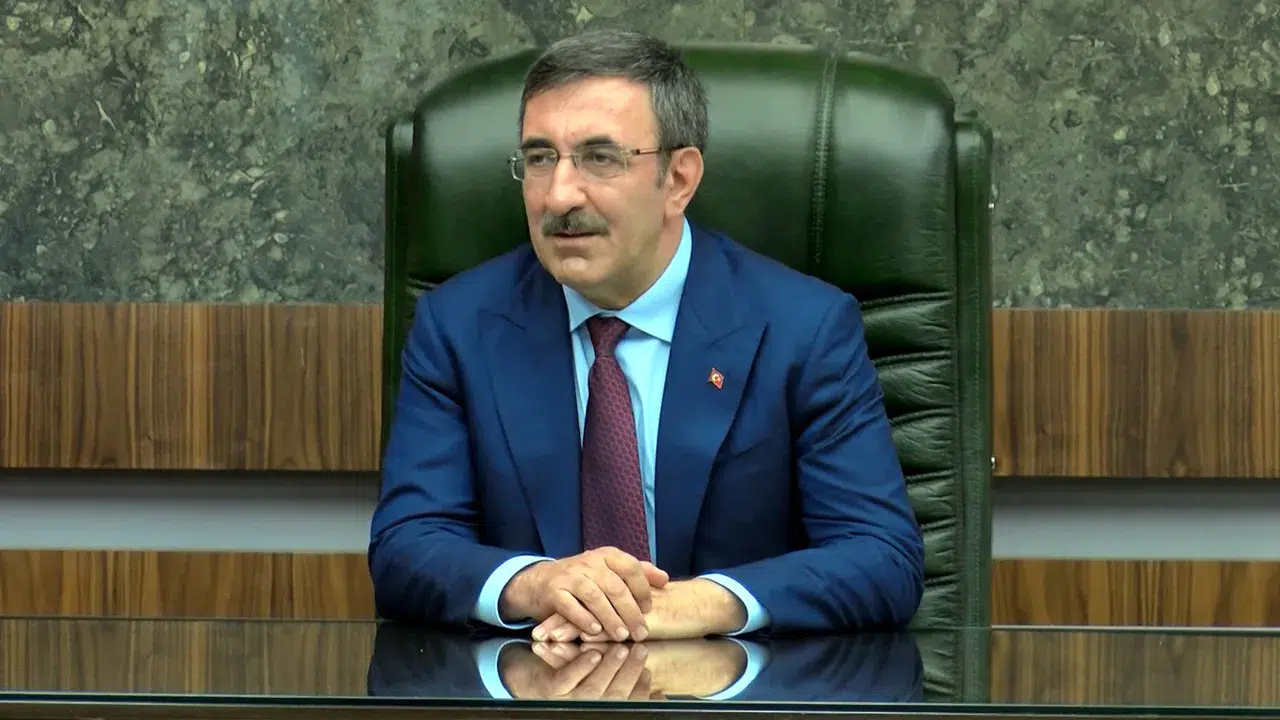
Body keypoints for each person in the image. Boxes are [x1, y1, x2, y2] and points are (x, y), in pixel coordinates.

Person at [369, 29, 924, 642]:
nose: (559, 195)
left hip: (740, 682)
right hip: (535, 677)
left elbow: (881, 557)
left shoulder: (804, 328)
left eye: (600, 158)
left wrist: (701, 604)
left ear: (678, 180)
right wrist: (535, 583)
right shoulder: (458, 326)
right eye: (540, 158)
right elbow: (405, 547)